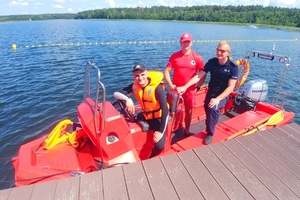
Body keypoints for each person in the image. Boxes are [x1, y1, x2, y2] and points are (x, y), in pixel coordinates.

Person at [176, 40, 238, 144]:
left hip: (222, 95)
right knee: (207, 109)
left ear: (228, 52)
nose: (219, 52)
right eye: (218, 50)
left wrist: (218, 99)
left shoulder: (233, 67)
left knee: (213, 108)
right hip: (211, 92)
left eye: (222, 51)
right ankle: (210, 122)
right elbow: (199, 76)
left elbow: (231, 87)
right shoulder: (212, 62)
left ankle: (210, 133)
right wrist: (185, 87)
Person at [114, 64, 169, 157]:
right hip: (145, 115)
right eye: (137, 76)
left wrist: (160, 131)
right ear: (134, 76)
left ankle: (151, 157)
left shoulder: (157, 88)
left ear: (147, 74)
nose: (140, 78)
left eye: (142, 74)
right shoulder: (134, 85)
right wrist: (127, 99)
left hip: (159, 119)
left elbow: (165, 110)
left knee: (159, 146)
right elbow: (116, 93)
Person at [164, 32, 205, 136]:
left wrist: (198, 87)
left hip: (189, 91)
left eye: (188, 42)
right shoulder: (175, 56)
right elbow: (166, 71)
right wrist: (170, 84)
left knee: (189, 111)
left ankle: (186, 131)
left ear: (191, 43)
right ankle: (169, 130)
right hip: (176, 89)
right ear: (180, 43)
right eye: (184, 42)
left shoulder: (197, 58)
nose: (185, 44)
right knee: (171, 110)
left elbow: (202, 74)